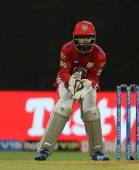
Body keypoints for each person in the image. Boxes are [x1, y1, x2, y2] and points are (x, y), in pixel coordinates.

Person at [35, 21, 110, 161]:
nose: (85, 40)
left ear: (94, 38)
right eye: (82, 37)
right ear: (75, 37)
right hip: (67, 81)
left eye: (88, 37)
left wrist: (86, 84)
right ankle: (43, 150)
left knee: (91, 112)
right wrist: (73, 83)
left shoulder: (100, 55)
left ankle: (97, 152)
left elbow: (94, 78)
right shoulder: (67, 49)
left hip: (87, 84)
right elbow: (63, 72)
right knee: (62, 108)